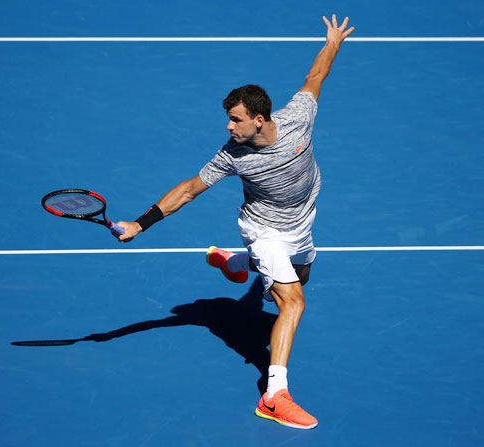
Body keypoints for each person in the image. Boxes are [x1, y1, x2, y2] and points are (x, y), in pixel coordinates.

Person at [115, 14, 354, 430]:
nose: (228, 126)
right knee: (292, 302)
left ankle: (233, 263)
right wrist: (140, 223)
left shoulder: (299, 116)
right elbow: (188, 190)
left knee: (302, 275)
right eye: (228, 118)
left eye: (236, 119)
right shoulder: (231, 155)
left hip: (301, 222)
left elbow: (316, 74)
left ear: (260, 119)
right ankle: (275, 396)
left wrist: (332, 41)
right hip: (263, 229)